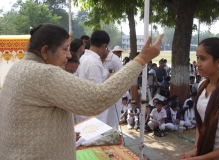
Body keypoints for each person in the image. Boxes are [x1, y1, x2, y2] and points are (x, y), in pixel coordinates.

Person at [0, 23, 164, 159]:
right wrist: (141, 59)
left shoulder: (20, 67)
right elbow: (98, 98)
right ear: (45, 51)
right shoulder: (43, 73)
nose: (69, 55)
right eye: (65, 49)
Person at [181, 37, 219, 160]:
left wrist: (201, 158)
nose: (197, 63)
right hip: (205, 152)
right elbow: (200, 123)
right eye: (197, 58)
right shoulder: (203, 86)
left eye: (203, 58)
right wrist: (196, 149)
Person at [75, 30, 111, 124]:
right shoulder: (93, 62)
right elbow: (97, 91)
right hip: (94, 115)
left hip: (86, 110)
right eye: (106, 48)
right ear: (104, 46)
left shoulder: (84, 58)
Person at [101, 49, 123, 128]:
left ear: (104, 47)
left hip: (113, 98)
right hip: (101, 98)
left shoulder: (115, 60)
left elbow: (122, 79)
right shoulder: (97, 59)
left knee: (112, 124)